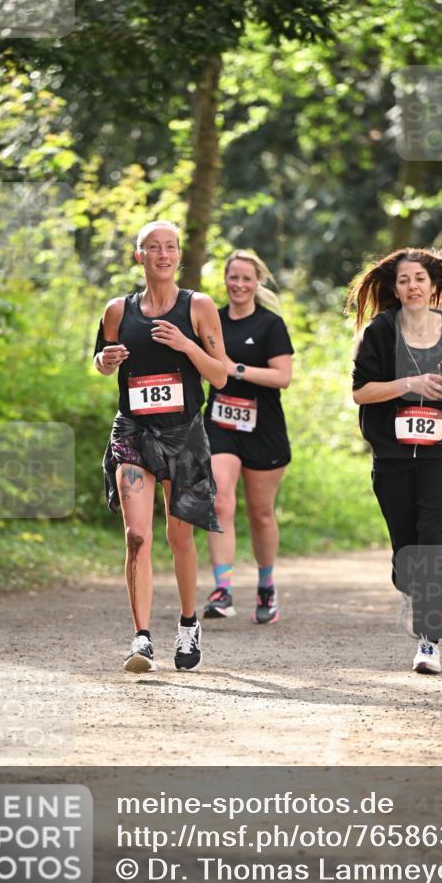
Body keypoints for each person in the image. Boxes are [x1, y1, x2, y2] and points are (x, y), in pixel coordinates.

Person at [94, 220, 227, 674]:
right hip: (132, 431)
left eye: (170, 247)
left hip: (182, 435)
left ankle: (189, 623)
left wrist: (187, 345)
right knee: (136, 536)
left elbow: (221, 375)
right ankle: (141, 638)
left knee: (179, 536)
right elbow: (102, 360)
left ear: (178, 257)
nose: (163, 254)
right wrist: (104, 360)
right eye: (154, 248)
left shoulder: (199, 306)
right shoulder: (118, 310)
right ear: (140, 256)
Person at [349, 247, 442, 675]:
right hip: (392, 454)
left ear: (433, 283)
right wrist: (410, 382)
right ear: (395, 287)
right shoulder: (380, 332)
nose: (413, 286)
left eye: (419, 278)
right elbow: (361, 392)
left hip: (441, 452)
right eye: (404, 280)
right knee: (406, 550)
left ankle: (429, 640)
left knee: (432, 538)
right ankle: (409, 586)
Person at [201, 250, 294, 624]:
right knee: (220, 499)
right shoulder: (211, 322)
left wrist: (234, 369)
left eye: (246, 278)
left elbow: (282, 377)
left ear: (257, 283)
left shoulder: (271, 325)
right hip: (220, 424)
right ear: (224, 280)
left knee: (261, 514)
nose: (239, 285)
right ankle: (222, 589)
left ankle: (266, 585)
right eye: (233, 277)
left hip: (264, 429)